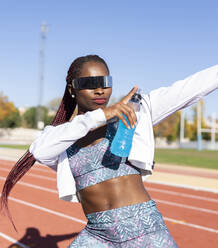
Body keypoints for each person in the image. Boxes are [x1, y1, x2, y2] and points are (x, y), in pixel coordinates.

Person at [1, 55, 218, 247]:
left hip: (144, 229)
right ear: (72, 89)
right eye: (89, 83)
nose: (99, 89)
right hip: (98, 234)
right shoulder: (63, 136)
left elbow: (191, 87)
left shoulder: (135, 112)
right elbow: (40, 149)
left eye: (105, 82)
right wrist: (101, 116)